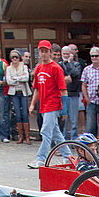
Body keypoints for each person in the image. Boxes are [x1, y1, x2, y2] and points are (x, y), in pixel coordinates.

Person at [28, 40, 68, 170]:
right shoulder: (39, 68)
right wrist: (32, 104)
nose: (44, 53)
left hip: (54, 104)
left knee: (45, 131)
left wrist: (64, 108)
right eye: (41, 51)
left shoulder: (56, 68)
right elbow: (37, 89)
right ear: (38, 52)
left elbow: (63, 90)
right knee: (56, 132)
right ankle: (68, 156)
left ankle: (41, 159)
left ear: (50, 53)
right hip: (44, 105)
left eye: (46, 51)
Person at [5, 49, 32, 144]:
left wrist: (15, 79)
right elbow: (9, 81)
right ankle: (21, 136)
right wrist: (20, 78)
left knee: (25, 113)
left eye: (16, 57)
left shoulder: (24, 66)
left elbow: (26, 78)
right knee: (17, 114)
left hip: (23, 92)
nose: (15, 59)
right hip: (14, 93)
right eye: (13, 57)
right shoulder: (8, 68)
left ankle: (27, 137)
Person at [59, 44, 84, 140]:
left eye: (67, 54)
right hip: (62, 94)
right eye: (64, 54)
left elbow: (75, 74)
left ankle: (73, 140)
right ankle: (63, 139)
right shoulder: (59, 65)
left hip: (73, 94)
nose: (66, 55)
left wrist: (69, 63)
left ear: (71, 54)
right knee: (63, 119)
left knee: (74, 120)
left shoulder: (76, 64)